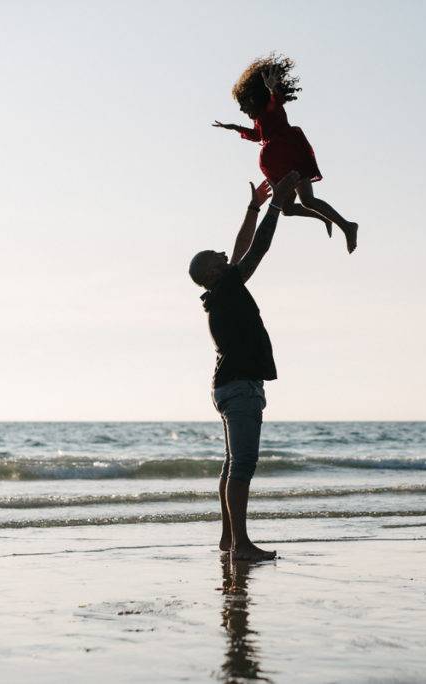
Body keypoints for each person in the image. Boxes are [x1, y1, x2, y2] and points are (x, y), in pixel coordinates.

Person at [188, 170, 301, 562]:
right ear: (212, 273)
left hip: (228, 386)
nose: (224, 256)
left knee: (232, 465)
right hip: (239, 387)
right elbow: (257, 250)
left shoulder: (222, 291)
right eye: (217, 258)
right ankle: (240, 545)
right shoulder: (228, 288)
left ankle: (228, 540)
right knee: (243, 467)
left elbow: (238, 250)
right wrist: (274, 208)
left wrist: (253, 206)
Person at [212, 54, 358, 254]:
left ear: (254, 99)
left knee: (307, 199)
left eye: (244, 105)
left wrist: (273, 88)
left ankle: (347, 226)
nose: (242, 109)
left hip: (290, 156)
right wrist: (235, 128)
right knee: (287, 209)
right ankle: (324, 217)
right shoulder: (261, 118)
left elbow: (276, 100)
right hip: (277, 164)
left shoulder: (272, 108)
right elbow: (257, 135)